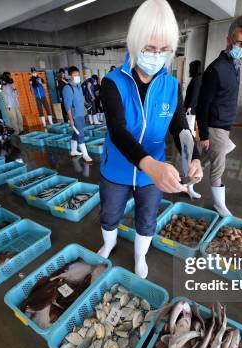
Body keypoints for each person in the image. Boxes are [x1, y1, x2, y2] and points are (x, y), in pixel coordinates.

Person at [97, 0, 202, 279]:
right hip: (117, 168)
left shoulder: (170, 85)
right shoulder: (112, 83)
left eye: (163, 50)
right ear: (135, 44)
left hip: (152, 174)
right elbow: (118, 131)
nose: (156, 56)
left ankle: (139, 256)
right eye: (149, 48)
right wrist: (149, 164)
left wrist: (194, 158)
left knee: (147, 217)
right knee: (110, 214)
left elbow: (180, 125)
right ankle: (109, 244)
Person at [197, 14, 242, 217]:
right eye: (239, 42)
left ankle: (187, 183)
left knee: (203, 161)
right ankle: (219, 205)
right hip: (214, 127)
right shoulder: (216, 69)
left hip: (225, 125)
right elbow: (202, 105)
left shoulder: (235, 66)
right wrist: (203, 135)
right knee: (218, 167)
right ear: (228, 40)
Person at [62, 66, 93, 162]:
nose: (77, 76)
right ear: (70, 76)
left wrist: (85, 105)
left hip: (81, 114)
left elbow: (80, 99)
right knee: (81, 134)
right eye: (74, 75)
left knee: (77, 133)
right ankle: (85, 155)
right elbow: (67, 105)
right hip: (75, 115)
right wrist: (71, 119)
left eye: (77, 75)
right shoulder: (68, 88)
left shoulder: (78, 86)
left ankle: (73, 151)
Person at [183, 59, 202, 199]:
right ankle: (187, 185)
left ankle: (188, 185)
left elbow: (194, 96)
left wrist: (188, 107)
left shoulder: (196, 79)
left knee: (187, 137)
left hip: (191, 112)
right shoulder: (198, 78)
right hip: (193, 112)